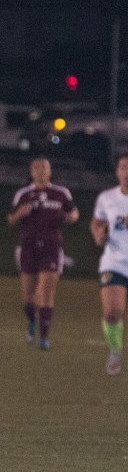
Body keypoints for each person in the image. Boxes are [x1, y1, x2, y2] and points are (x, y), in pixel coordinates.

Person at [7, 157, 79, 350]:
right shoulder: (23, 194)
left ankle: (44, 338)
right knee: (28, 298)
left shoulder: (60, 193)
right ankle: (32, 321)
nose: (40, 171)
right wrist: (21, 213)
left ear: (50, 171)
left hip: (51, 248)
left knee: (45, 293)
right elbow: (11, 219)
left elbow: (73, 213)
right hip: (28, 248)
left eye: (44, 167)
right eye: (36, 167)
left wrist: (69, 217)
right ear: (31, 172)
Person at [89, 154, 128, 375]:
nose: (127, 172)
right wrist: (98, 235)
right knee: (112, 312)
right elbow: (97, 223)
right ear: (117, 172)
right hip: (115, 263)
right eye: (123, 167)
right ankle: (115, 350)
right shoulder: (106, 198)